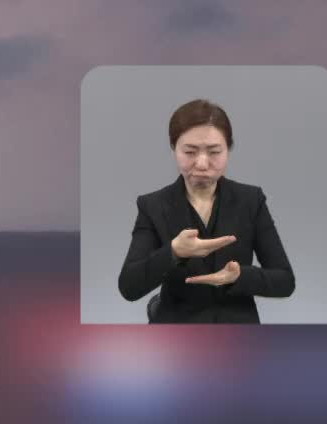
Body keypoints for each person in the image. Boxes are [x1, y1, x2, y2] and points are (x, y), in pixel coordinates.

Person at [117, 98, 295, 322]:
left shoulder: (251, 200)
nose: (202, 163)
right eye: (190, 152)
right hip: (175, 335)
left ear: (228, 149)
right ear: (174, 148)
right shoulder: (153, 205)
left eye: (214, 151)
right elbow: (129, 287)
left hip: (238, 335)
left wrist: (240, 276)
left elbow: (285, 281)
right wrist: (173, 252)